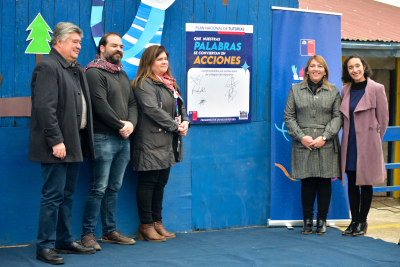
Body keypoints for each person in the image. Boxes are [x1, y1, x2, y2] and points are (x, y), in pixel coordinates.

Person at [29, 22, 96, 265]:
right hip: (56, 145)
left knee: (67, 194)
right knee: (53, 196)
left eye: (80, 42)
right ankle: (44, 246)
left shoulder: (74, 67)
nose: (79, 46)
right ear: (58, 42)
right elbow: (45, 108)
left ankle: (64, 239)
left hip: (74, 143)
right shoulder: (48, 67)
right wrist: (56, 140)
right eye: (74, 42)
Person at [80, 32, 138, 250]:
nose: (119, 49)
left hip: (123, 139)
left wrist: (131, 124)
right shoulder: (94, 73)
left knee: (114, 187)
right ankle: (87, 234)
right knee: (98, 188)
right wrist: (122, 125)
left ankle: (109, 231)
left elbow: (132, 103)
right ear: (102, 48)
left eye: (121, 46)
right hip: (103, 137)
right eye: (114, 46)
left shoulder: (122, 75)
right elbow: (99, 105)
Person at [131, 45, 189, 242]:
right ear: (149, 62)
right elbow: (152, 110)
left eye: (166, 58)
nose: (165, 62)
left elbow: (181, 107)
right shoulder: (143, 84)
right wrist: (175, 126)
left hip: (168, 141)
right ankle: (145, 225)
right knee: (148, 183)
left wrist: (185, 122)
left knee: (161, 183)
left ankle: (157, 223)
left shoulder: (170, 83)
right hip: (149, 142)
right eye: (159, 59)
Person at [284, 55, 342, 235]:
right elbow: (289, 116)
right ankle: (307, 221)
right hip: (303, 143)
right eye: (312, 66)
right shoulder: (295, 90)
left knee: (325, 181)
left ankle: (322, 221)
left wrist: (325, 136)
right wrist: (301, 137)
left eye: (320, 66)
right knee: (307, 181)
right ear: (306, 70)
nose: (316, 69)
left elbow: (338, 116)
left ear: (325, 71)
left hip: (326, 142)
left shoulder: (333, 91)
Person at [340, 54, 389, 236]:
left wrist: (374, 140)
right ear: (347, 71)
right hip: (350, 142)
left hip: (368, 143)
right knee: (352, 183)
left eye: (357, 66)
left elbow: (383, 120)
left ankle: (362, 221)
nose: (355, 70)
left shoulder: (377, 88)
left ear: (364, 67)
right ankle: (353, 221)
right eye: (351, 67)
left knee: (366, 183)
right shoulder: (345, 91)